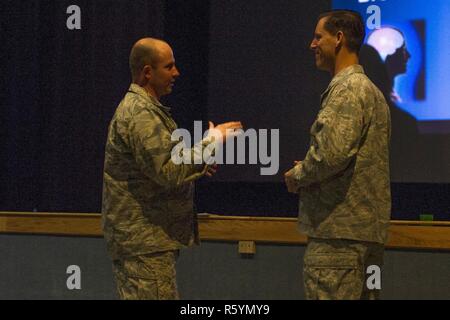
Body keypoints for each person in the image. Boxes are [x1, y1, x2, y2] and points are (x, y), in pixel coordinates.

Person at [102, 37, 242, 300]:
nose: (176, 73)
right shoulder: (140, 113)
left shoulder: (148, 110)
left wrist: (199, 163)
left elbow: (165, 163)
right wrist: (213, 140)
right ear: (147, 72)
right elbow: (167, 169)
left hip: (147, 243)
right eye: (169, 67)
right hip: (144, 243)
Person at [284, 10, 391, 300]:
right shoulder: (373, 93)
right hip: (366, 236)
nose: (312, 44)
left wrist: (298, 174)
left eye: (319, 37)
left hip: (338, 241)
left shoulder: (346, 89)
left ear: (339, 38)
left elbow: (330, 156)